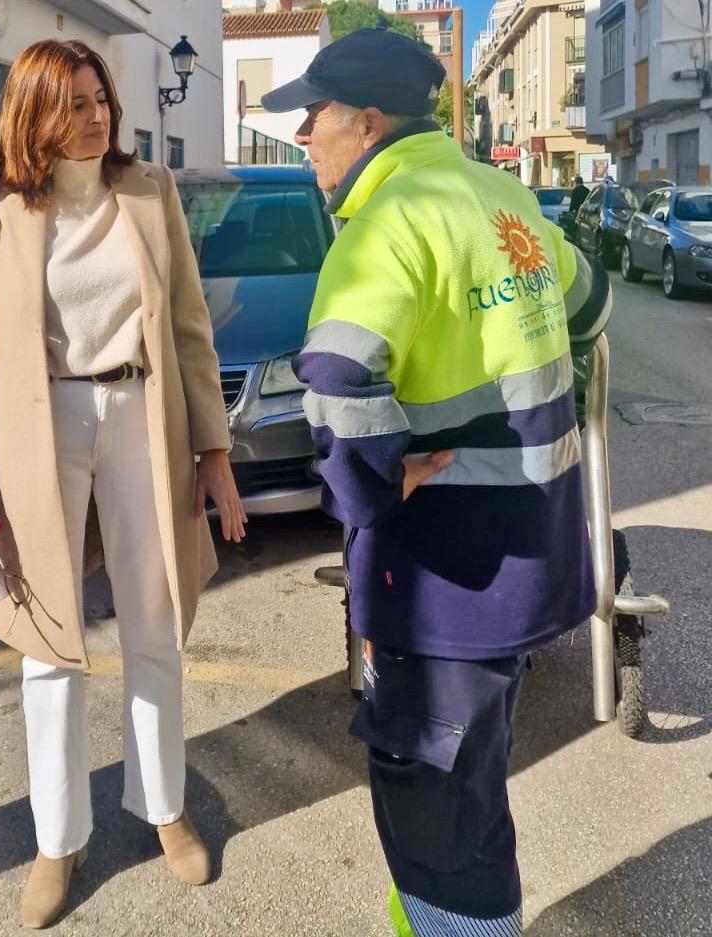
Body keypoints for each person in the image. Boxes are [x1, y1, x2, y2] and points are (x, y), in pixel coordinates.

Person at [261, 28, 611, 937]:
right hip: (531, 552)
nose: (304, 137)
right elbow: (591, 303)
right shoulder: (501, 195)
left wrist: (373, 488)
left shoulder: (386, 221)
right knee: (476, 777)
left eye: (314, 117)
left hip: (444, 574)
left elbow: (336, 382)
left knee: (435, 799)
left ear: (366, 122)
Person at [0, 39, 246, 930]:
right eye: (74, 102)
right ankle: (57, 836)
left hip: (144, 415)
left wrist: (215, 450)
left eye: (100, 97)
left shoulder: (149, 193)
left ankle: (165, 808)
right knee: (50, 640)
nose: (97, 114)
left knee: (153, 625)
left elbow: (191, 327)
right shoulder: (0, 208)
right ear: (35, 114)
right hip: (44, 429)